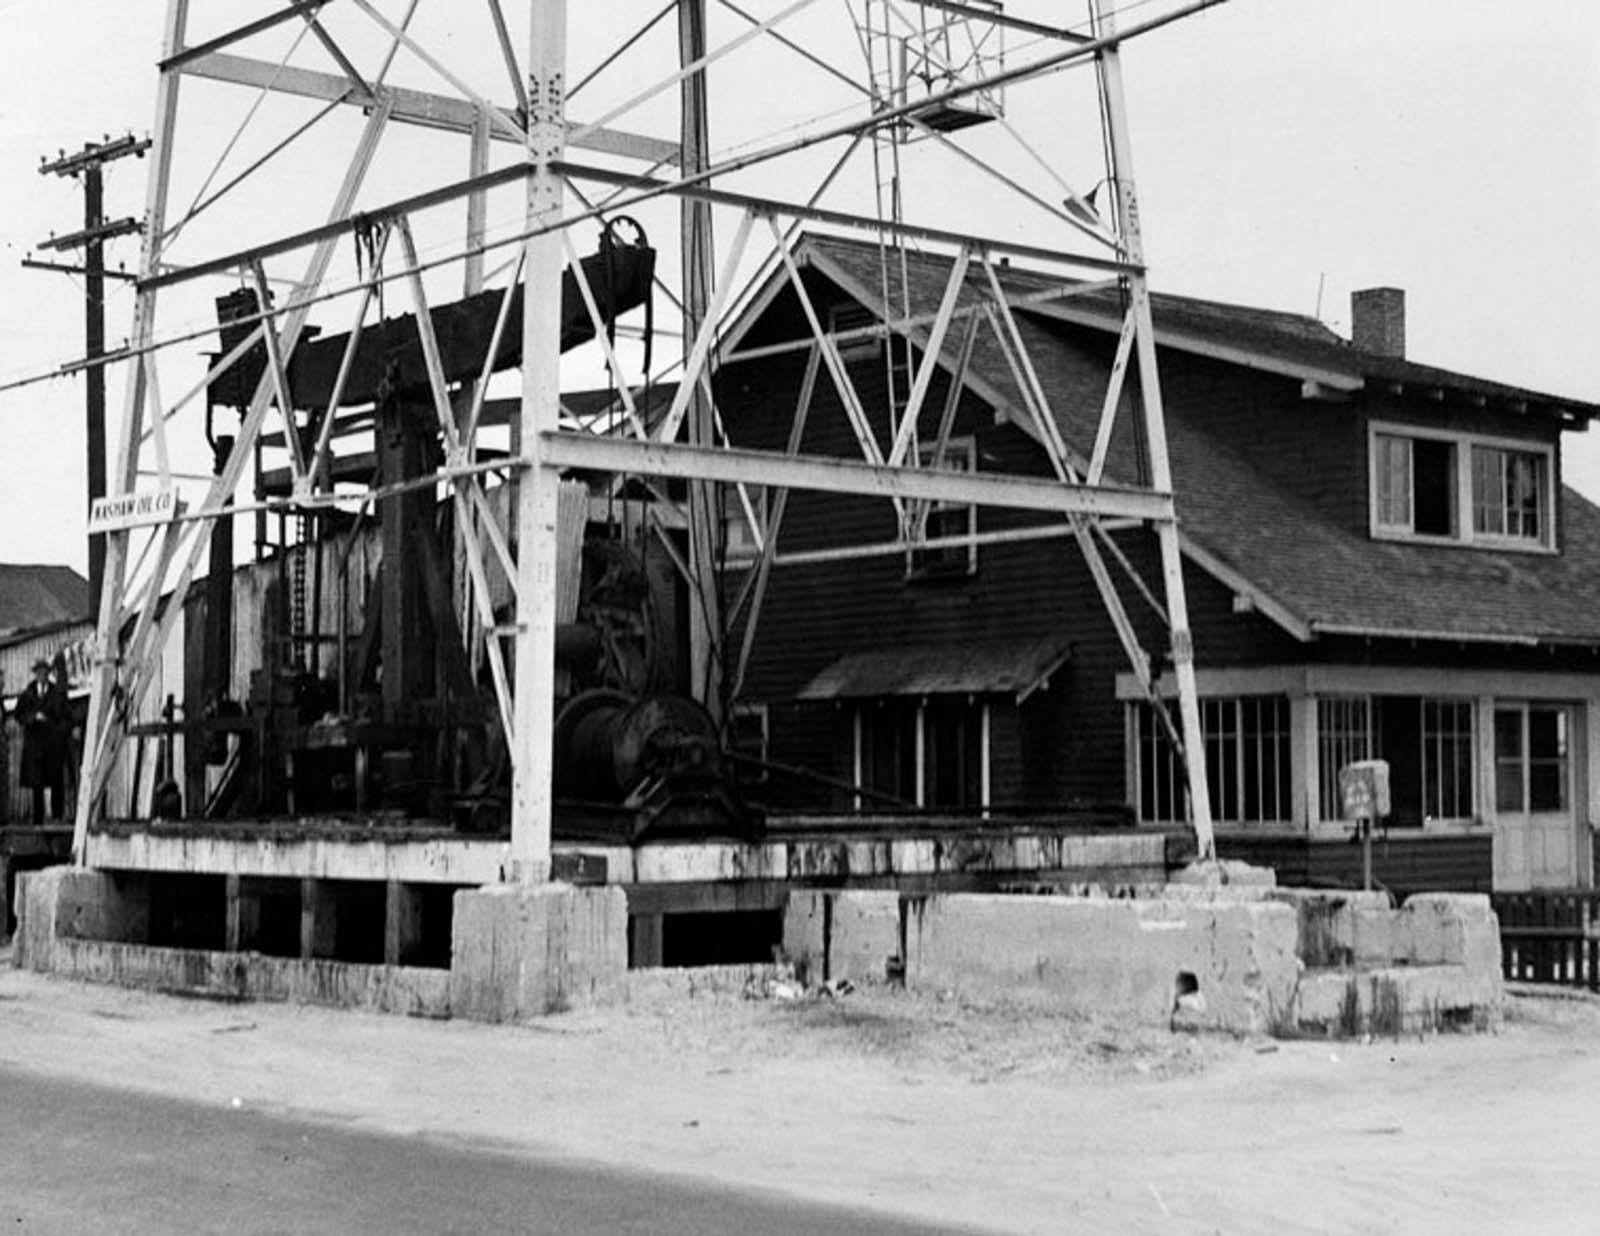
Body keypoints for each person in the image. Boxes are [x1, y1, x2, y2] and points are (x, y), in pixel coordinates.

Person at [14, 658, 64, 823]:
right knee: (37, 782)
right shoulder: (27, 694)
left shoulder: (57, 693)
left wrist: (54, 727)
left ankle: (57, 816)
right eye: (39, 672)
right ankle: (38, 819)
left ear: (48, 674)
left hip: (52, 744)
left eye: (44, 672)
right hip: (34, 745)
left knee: (56, 780)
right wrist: (33, 717)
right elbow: (18, 715)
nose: (41, 675)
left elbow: (65, 716)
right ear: (35, 674)